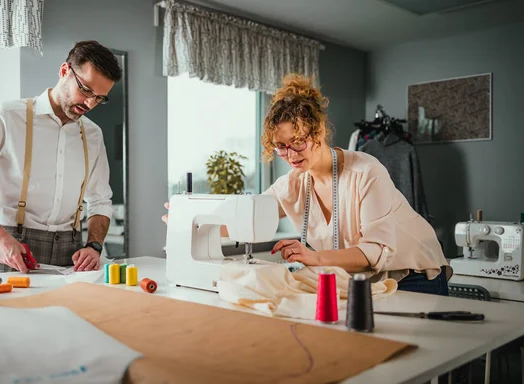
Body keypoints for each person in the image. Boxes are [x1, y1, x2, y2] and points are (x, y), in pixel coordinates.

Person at [163, 74, 449, 296]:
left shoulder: (366, 172)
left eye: (298, 141)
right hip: (368, 283)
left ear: (319, 132)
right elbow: (248, 217)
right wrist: (191, 220)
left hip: (414, 277)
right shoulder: (294, 183)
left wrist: (311, 257)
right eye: (281, 147)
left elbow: (372, 252)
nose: (291, 154)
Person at [0, 40, 120, 274]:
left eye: (99, 98)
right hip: (12, 249)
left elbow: (100, 201)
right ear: (65, 71)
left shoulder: (93, 134)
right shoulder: (6, 116)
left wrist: (94, 246)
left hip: (71, 255)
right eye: (85, 89)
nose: (90, 103)